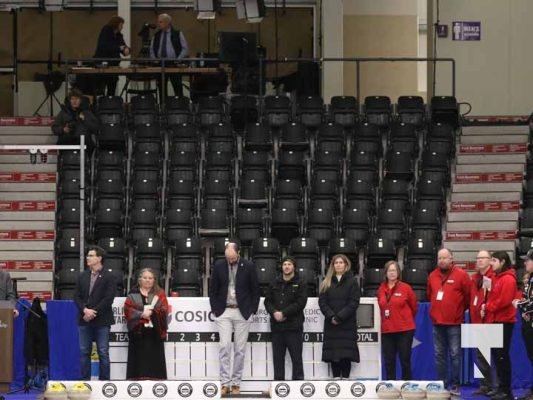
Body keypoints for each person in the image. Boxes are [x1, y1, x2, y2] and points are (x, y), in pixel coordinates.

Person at [208, 242, 260, 396]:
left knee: (240, 349)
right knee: (224, 346)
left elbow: (255, 290)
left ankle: (236, 383)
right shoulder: (218, 265)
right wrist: (216, 310)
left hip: (242, 312)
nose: (230, 261)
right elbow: (213, 290)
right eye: (227, 258)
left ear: (238, 253)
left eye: (232, 258)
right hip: (224, 311)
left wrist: (252, 311)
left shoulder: (249, 266)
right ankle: (225, 383)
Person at [427, 248, 471, 396]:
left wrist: (457, 311)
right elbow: (430, 295)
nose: (442, 261)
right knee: (439, 355)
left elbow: (467, 297)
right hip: (437, 323)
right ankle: (442, 383)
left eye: (445, 258)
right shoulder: (432, 276)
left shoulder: (462, 275)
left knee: (454, 354)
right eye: (440, 258)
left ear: (452, 259)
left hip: (454, 323)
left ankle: (455, 384)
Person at [73, 245, 117, 381]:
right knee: (83, 352)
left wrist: (94, 312)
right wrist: (85, 310)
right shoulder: (83, 276)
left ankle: (104, 383)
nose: (88, 257)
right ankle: (84, 382)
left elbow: (108, 298)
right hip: (84, 319)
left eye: (91, 255)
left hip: (102, 320)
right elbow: (76, 296)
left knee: (103, 352)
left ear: (99, 258)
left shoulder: (110, 276)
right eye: (88, 255)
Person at [264, 256, 308, 381]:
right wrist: (274, 312)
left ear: (294, 266)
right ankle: (279, 386)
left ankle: (298, 386)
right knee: (278, 359)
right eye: (284, 264)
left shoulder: (301, 283)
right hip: (277, 328)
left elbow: (300, 303)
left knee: (296, 359)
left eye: (289, 264)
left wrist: (283, 313)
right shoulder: (274, 283)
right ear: (281, 267)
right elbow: (267, 302)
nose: (287, 266)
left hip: (294, 327)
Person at [481, 251, 517, 400]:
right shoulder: (495, 278)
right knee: (497, 357)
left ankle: (506, 390)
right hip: (495, 321)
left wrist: (486, 307)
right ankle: (501, 387)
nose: (491, 263)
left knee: (502, 357)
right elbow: (491, 296)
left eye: (494, 260)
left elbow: (504, 301)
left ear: (502, 262)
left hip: (504, 322)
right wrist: (486, 305)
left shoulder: (508, 279)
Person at [318, 254, 360, 379]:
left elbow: (354, 302)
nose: (338, 265)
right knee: (333, 353)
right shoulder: (326, 282)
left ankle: (346, 378)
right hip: (331, 324)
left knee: (346, 353)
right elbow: (322, 302)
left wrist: (340, 317)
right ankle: (336, 378)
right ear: (333, 265)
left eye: (341, 262)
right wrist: (332, 316)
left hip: (346, 324)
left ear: (346, 265)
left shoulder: (352, 282)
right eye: (336, 263)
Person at [124, 268, 169, 380]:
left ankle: (156, 382)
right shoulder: (132, 293)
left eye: (150, 278)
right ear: (140, 279)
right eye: (145, 278)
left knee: (154, 358)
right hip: (138, 332)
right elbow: (127, 309)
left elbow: (164, 309)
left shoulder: (160, 293)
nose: (147, 280)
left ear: (154, 280)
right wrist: (141, 314)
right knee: (138, 358)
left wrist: (153, 313)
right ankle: (136, 381)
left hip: (155, 332)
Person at [377, 260, 417, 380]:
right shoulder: (381, 289)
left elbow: (414, 307)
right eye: (389, 270)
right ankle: (391, 385)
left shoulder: (406, 288)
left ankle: (407, 384)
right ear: (385, 273)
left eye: (394, 270)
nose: (392, 273)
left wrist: (403, 319)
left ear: (398, 272)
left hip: (404, 330)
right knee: (389, 360)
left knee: (405, 359)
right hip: (387, 330)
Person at [469, 249, 497, 396]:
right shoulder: (474, 278)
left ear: (490, 260)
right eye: (478, 258)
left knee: (494, 355)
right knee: (481, 356)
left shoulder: (493, 277)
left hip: (490, 321)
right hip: (476, 322)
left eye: (483, 258)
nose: (479, 260)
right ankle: (485, 385)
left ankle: (495, 386)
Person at [150, 13, 189, 98]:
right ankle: (163, 107)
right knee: (162, 88)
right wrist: (154, 59)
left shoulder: (177, 33)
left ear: (168, 23)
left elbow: (185, 48)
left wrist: (178, 59)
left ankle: (179, 107)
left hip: (174, 64)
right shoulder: (156, 35)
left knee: (177, 86)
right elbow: (152, 49)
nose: (158, 24)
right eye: (158, 22)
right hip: (160, 64)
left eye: (160, 22)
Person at [93, 16, 131, 96]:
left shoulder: (119, 35)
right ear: (116, 24)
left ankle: (110, 103)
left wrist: (127, 50)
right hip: (102, 64)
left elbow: (123, 46)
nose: (122, 27)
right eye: (121, 25)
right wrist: (119, 48)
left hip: (113, 65)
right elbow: (103, 46)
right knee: (99, 88)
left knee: (112, 87)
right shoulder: (106, 30)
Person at [514, 249, 533, 400]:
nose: (525, 262)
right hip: (528, 324)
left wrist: (519, 304)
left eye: (528, 260)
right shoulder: (529, 279)